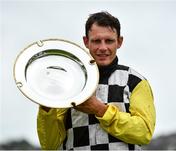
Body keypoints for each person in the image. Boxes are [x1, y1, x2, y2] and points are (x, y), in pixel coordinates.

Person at [37, 11, 156, 150]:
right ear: (86, 41)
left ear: (119, 42)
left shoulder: (136, 81)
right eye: (96, 41)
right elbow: (50, 146)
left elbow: (144, 133)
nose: (103, 48)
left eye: (109, 41)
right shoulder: (69, 83)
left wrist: (100, 110)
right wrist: (46, 107)